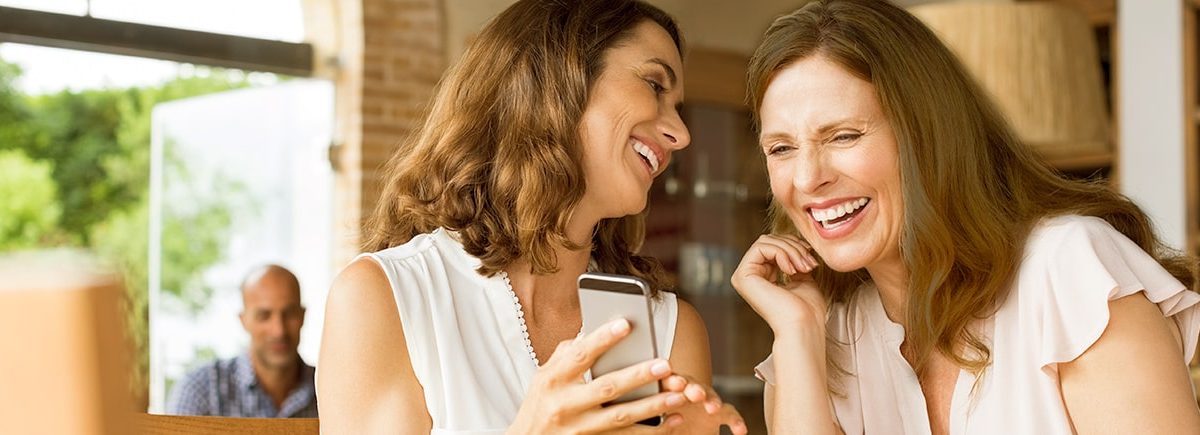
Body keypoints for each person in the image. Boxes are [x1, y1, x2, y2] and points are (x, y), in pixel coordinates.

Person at [732, 1, 1200, 434]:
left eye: (844, 136)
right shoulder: (818, 339)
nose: (808, 178)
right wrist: (797, 332)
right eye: (782, 149)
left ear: (927, 137)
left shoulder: (1070, 274)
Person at [316, 0, 746, 433]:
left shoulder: (669, 330)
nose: (682, 133)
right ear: (558, 79)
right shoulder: (386, 299)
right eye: (654, 84)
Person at [168, 264, 317, 418]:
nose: (279, 330)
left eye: (289, 314)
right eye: (264, 316)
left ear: (302, 316)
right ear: (243, 320)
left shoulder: (332, 391)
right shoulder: (200, 391)